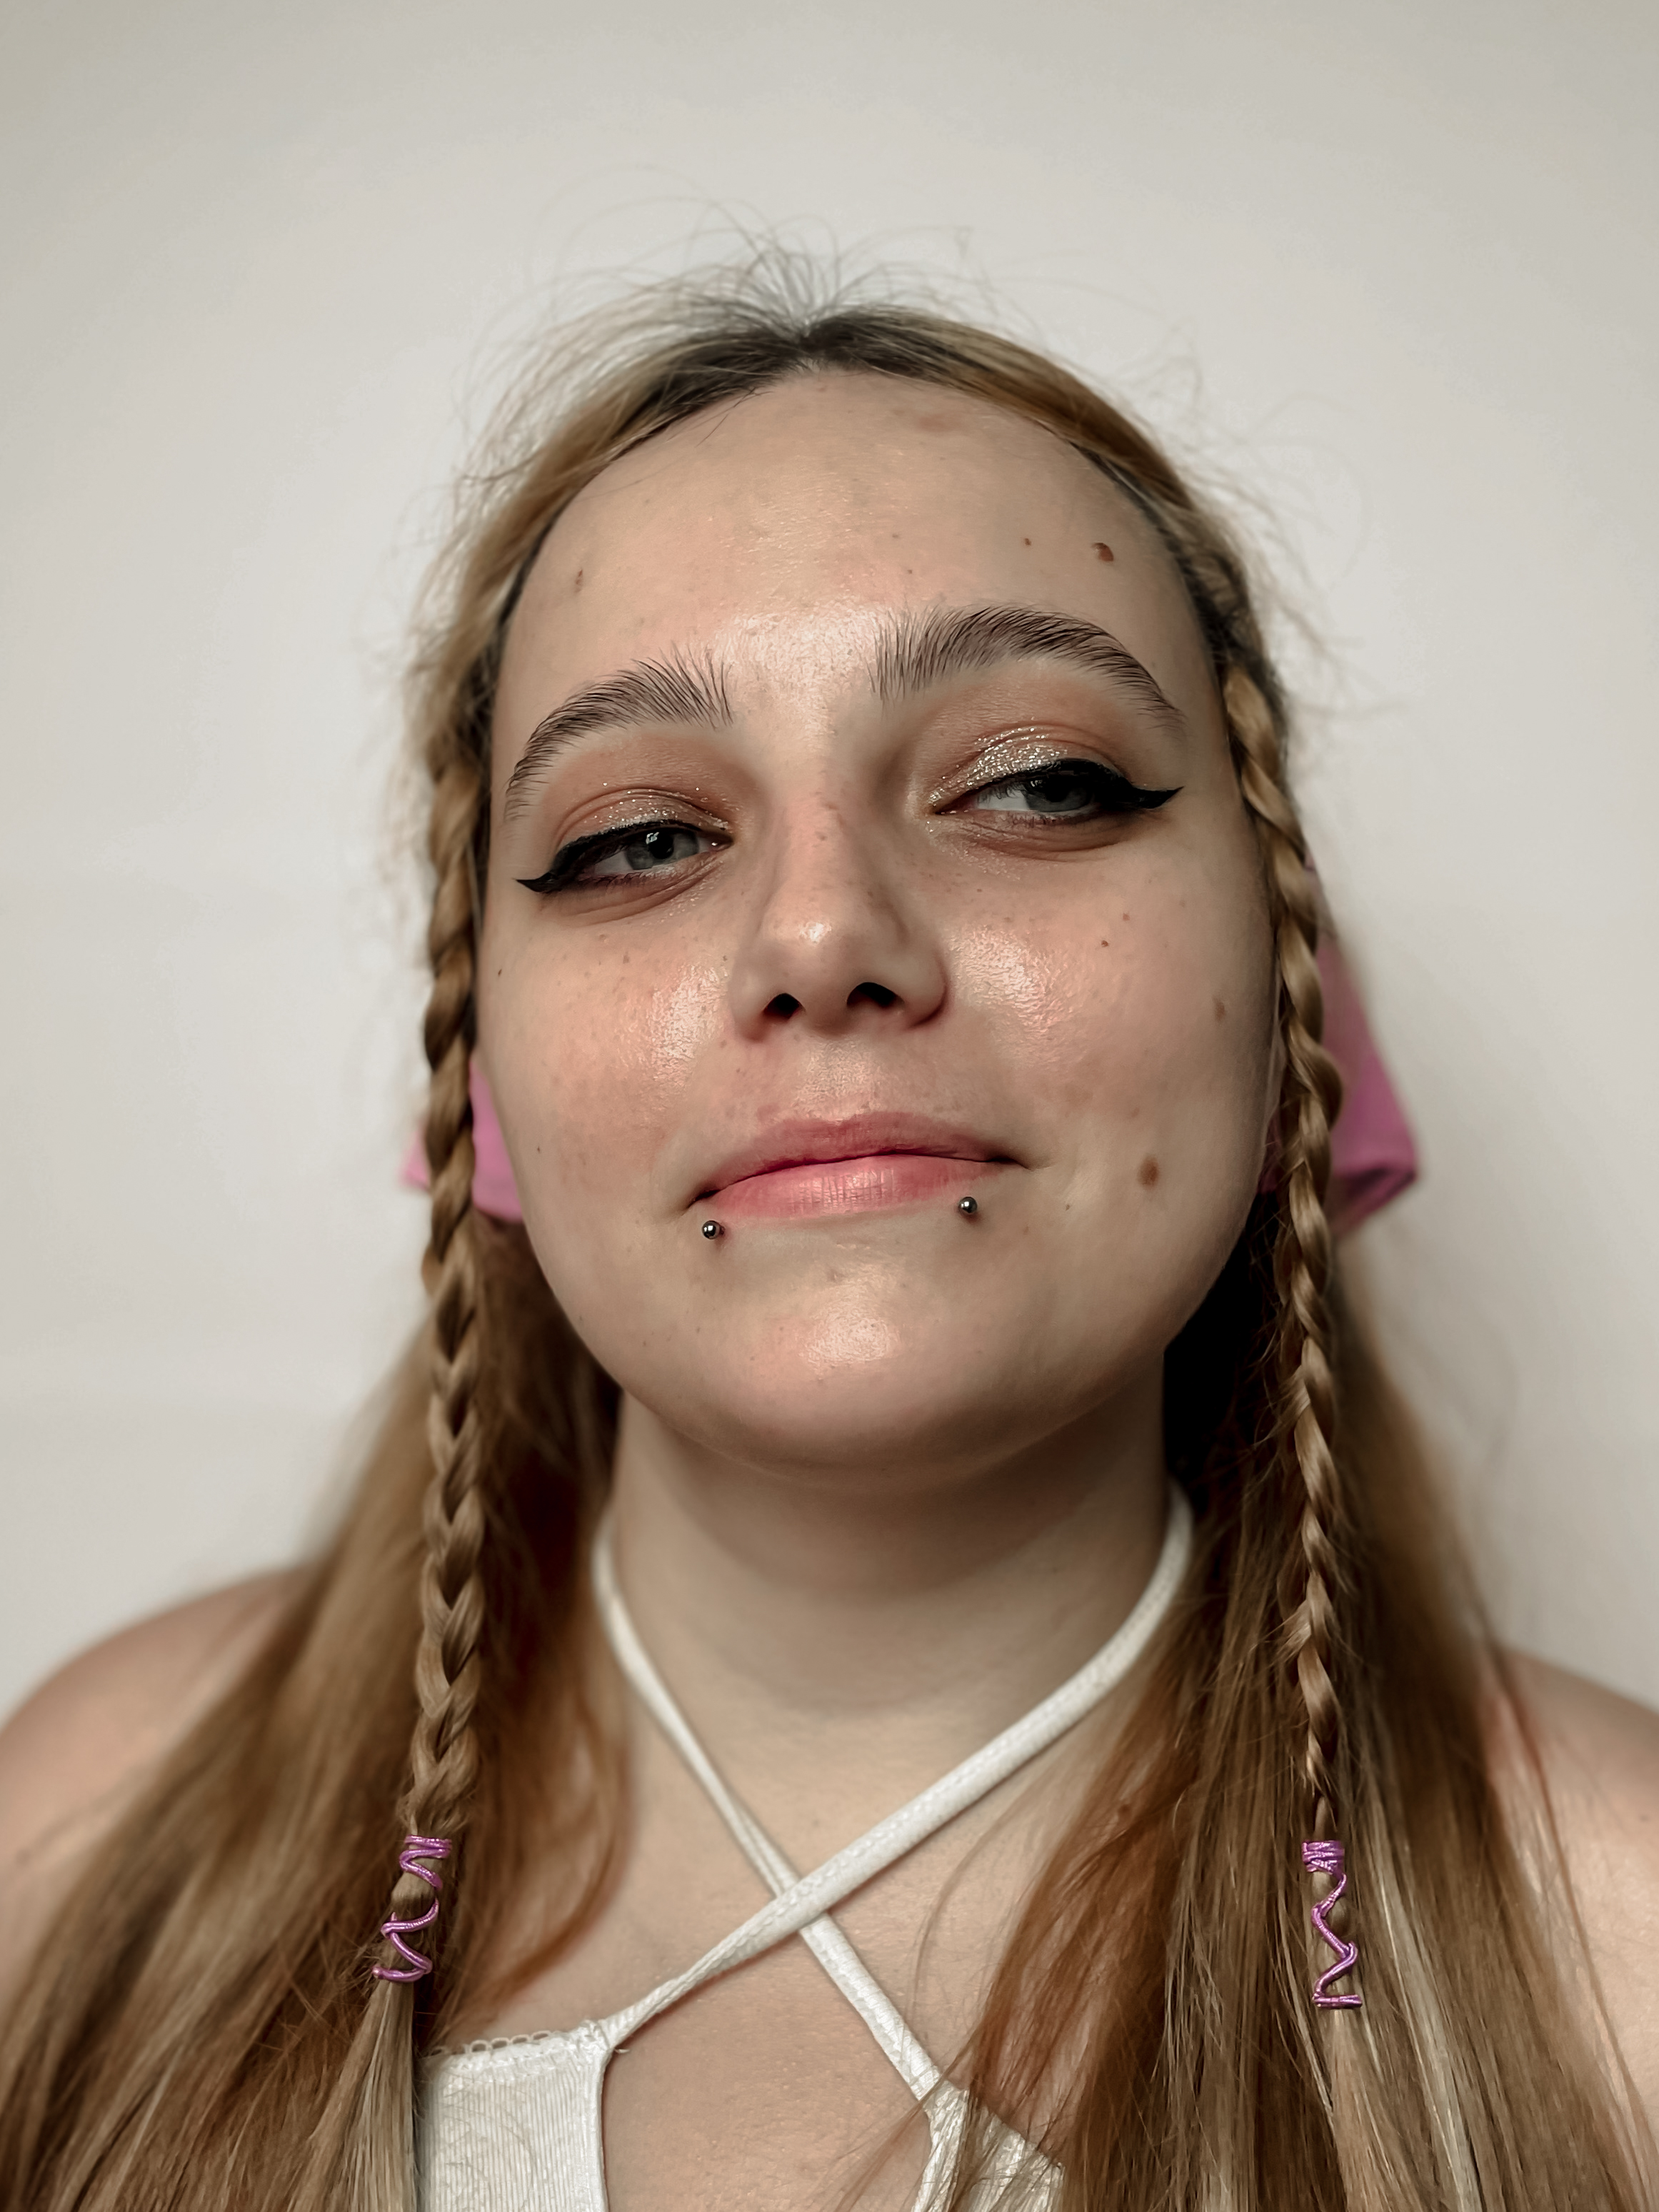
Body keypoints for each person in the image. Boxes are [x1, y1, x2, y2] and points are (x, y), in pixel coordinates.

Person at [1, 270, 1655, 2212]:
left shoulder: (1624, 1961)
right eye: (636, 838)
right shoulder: (79, 1838)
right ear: (487, 1080)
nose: (818, 937)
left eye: (1036, 783)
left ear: (1288, 990)